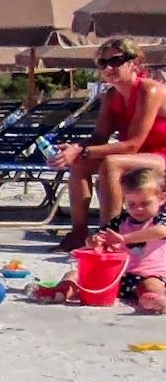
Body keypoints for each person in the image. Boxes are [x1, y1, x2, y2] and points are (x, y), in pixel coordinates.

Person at [50, 38, 166, 250]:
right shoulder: (112, 96)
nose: (108, 68)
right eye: (103, 63)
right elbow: (99, 137)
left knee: (112, 163)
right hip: (138, 156)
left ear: (134, 62)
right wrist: (75, 149)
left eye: (115, 61)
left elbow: (132, 145)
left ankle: (107, 236)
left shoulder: (149, 90)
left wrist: (83, 150)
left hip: (160, 155)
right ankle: (79, 233)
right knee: (79, 163)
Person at [35, 167, 166, 312]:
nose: (138, 209)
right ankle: (62, 291)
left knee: (151, 285)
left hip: (149, 275)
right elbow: (100, 238)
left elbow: (161, 231)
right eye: (131, 204)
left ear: (161, 199)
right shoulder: (120, 221)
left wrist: (123, 239)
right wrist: (93, 242)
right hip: (114, 275)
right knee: (74, 275)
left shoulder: (160, 219)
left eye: (145, 203)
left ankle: (152, 299)